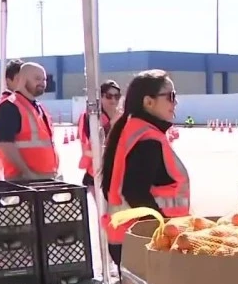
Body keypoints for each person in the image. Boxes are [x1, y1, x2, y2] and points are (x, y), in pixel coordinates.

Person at [101, 71, 189, 267]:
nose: (175, 103)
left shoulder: (134, 130)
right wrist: (161, 232)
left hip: (128, 238)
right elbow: (134, 192)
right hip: (142, 242)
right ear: (148, 102)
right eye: (170, 96)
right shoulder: (147, 139)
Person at [0, 62, 58, 181]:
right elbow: (5, 144)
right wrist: (27, 172)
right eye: (37, 78)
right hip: (23, 180)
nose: (42, 83)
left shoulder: (39, 107)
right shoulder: (9, 107)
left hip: (44, 178)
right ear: (22, 79)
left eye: (44, 79)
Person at [78, 80, 122, 187]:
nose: (113, 100)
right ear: (101, 97)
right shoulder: (90, 117)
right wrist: (111, 124)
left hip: (118, 172)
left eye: (117, 96)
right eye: (109, 96)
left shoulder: (121, 116)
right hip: (96, 172)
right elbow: (90, 146)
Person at [0, 59, 24, 177]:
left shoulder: (18, 103)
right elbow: (5, 142)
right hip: (3, 170)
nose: (23, 83)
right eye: (19, 79)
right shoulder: (8, 105)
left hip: (5, 168)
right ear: (8, 81)